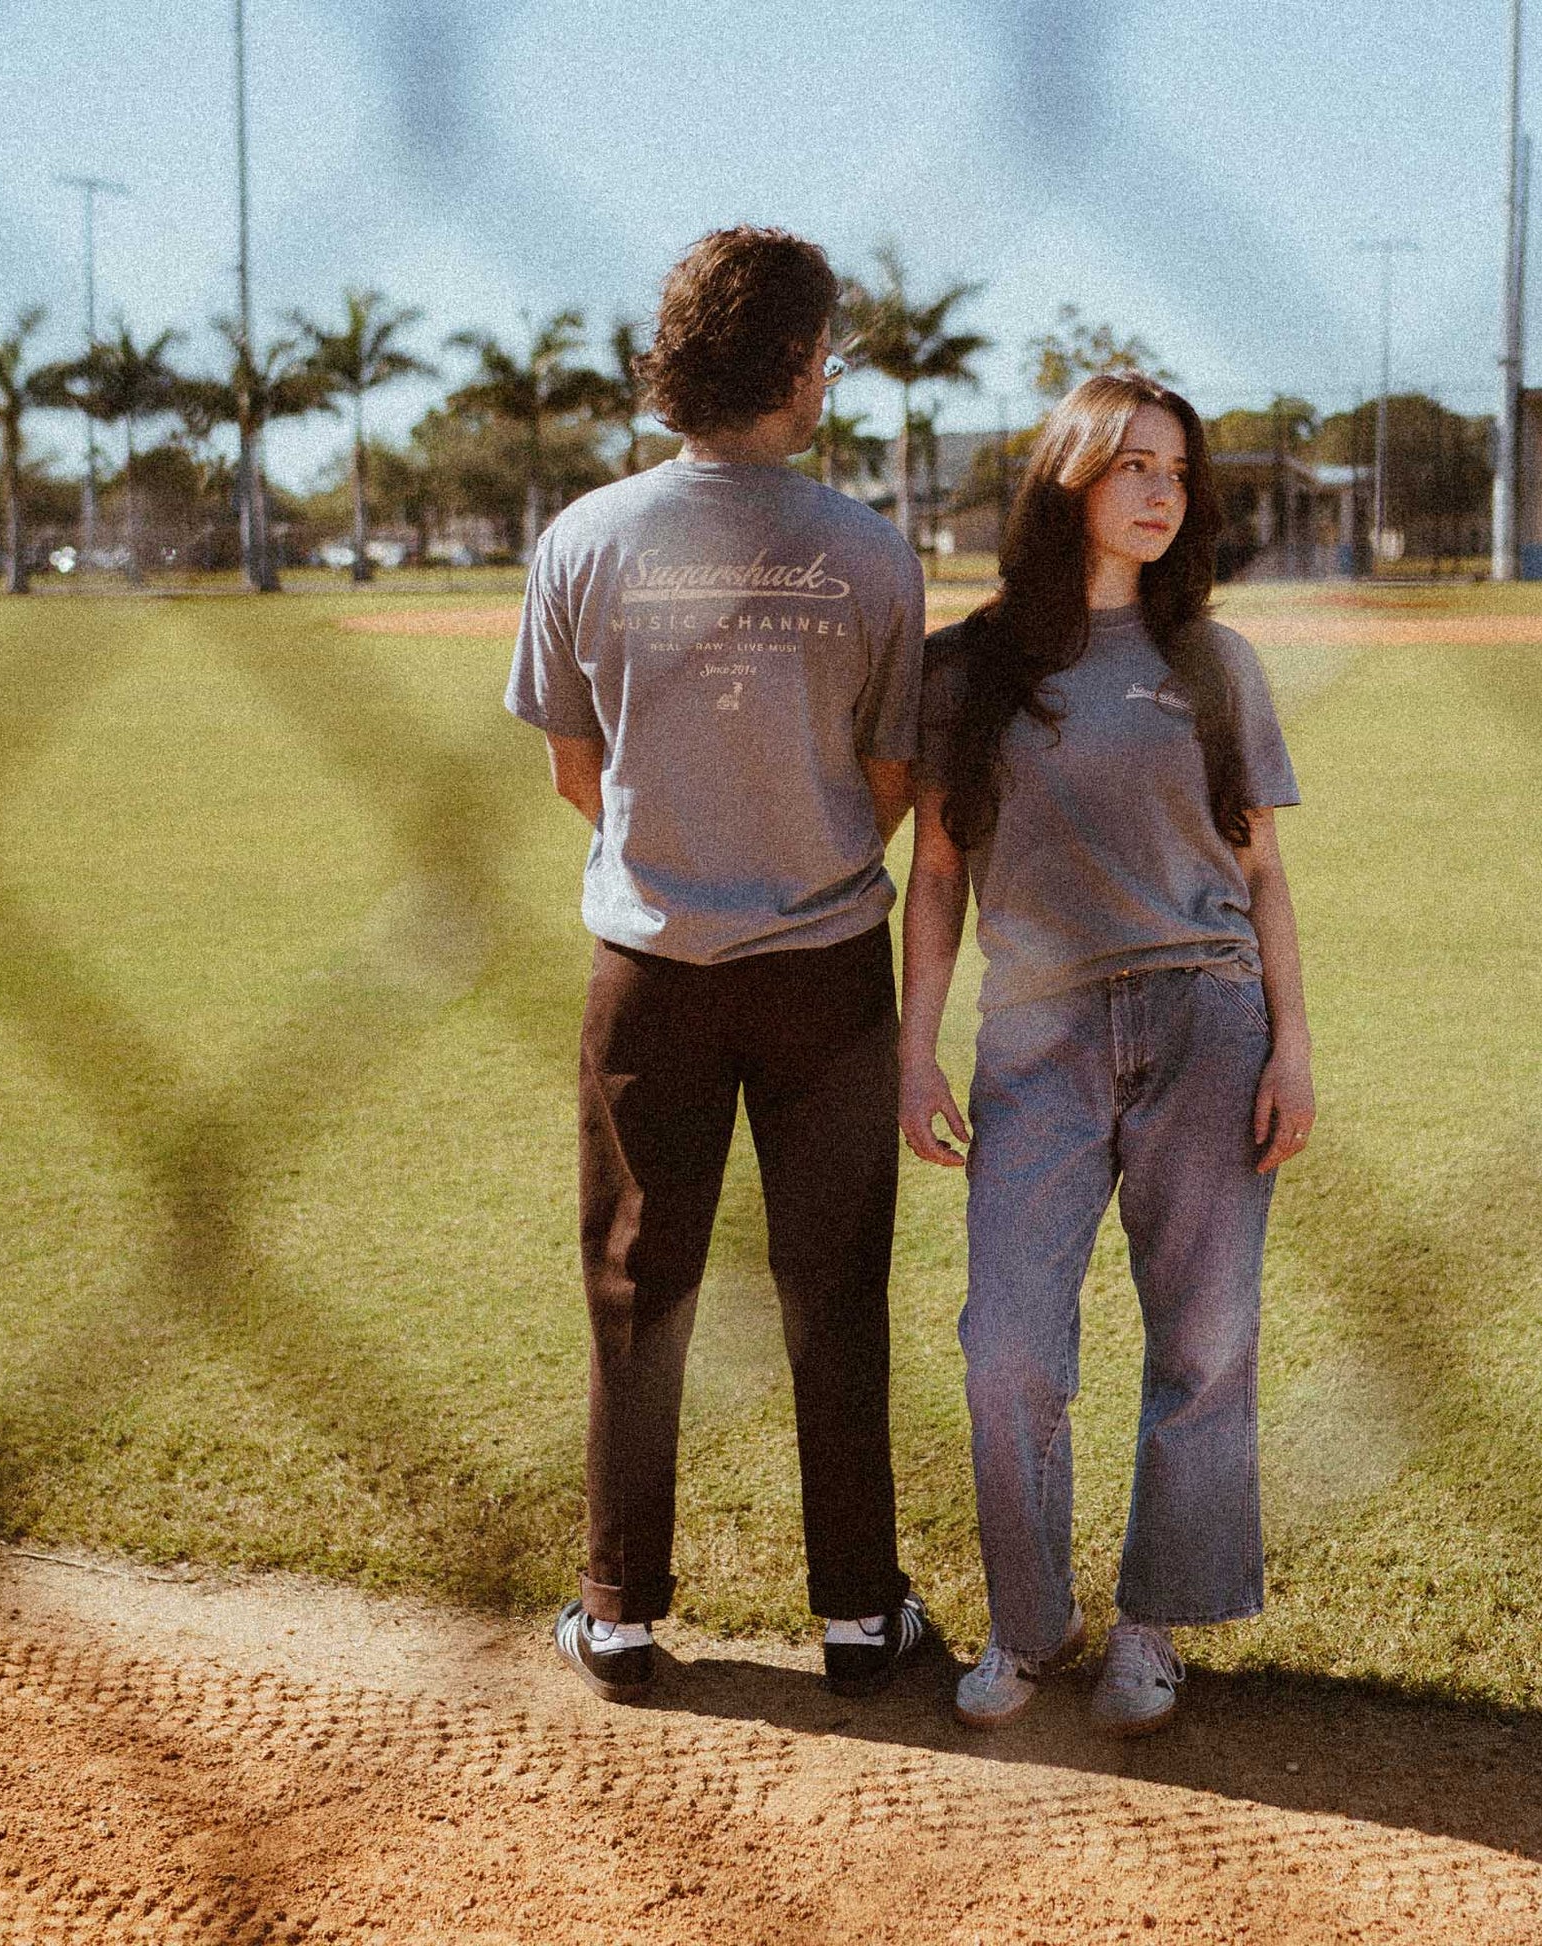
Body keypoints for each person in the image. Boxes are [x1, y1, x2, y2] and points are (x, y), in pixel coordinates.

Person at [506, 226, 932, 1703]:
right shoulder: (870, 549)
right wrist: (791, 846)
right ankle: (859, 1617)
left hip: (649, 963)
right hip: (825, 964)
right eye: (826, 354)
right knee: (834, 1286)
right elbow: (890, 773)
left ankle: (617, 1609)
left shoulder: (585, 537)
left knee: (636, 1281)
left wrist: (681, 844)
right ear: (799, 362)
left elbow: (576, 769)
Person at [899, 372, 1315, 1738]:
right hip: (1036, 1037)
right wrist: (917, 1049)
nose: (1157, 490)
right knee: (1008, 1344)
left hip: (1204, 1013)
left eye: (1176, 472)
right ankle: (1027, 1625)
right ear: (1067, 475)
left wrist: (1292, 1044)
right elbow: (938, 874)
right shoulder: (966, 669)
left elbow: (1259, 873)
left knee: (1202, 1337)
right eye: (1131, 463)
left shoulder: (1212, 662)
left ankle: (1151, 1624)